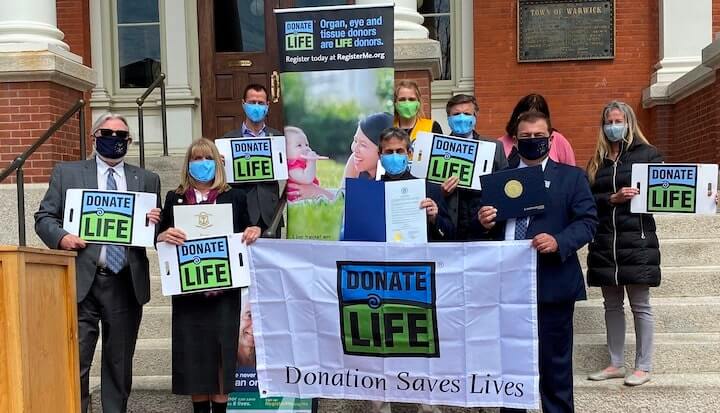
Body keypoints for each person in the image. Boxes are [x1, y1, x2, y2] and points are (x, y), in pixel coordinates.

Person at [34, 113, 162, 413]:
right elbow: (44, 218)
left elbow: (155, 235)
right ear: (94, 136)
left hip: (124, 281)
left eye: (122, 135)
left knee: (119, 364)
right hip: (82, 282)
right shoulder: (68, 173)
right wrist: (62, 237)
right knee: (77, 360)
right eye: (108, 132)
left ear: (129, 142)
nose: (114, 139)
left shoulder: (146, 180)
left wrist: (155, 223)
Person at [475, 111, 598, 413]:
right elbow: (482, 230)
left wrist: (559, 241)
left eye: (539, 136)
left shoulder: (571, 178)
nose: (533, 142)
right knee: (510, 371)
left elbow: (588, 222)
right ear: (515, 141)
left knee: (554, 370)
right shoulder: (496, 182)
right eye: (526, 137)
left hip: (552, 286)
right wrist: (484, 223)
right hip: (506, 289)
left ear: (551, 138)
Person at [156, 138, 261, 413]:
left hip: (224, 295)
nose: (202, 164)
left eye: (207, 158)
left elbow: (250, 230)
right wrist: (163, 234)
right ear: (188, 165)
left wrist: (254, 231)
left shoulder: (235, 197)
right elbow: (160, 239)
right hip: (189, 296)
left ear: (217, 162)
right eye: (196, 159)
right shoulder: (174, 198)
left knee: (221, 358)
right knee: (195, 358)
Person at [370, 127, 453, 413]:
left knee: (420, 337)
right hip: (379, 277)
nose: (394, 157)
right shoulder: (368, 190)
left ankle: (425, 400)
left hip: (416, 275)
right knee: (379, 338)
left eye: (399, 152)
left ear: (409, 153)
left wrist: (434, 217)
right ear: (380, 156)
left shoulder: (428, 189)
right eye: (388, 152)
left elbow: (449, 234)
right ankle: (381, 401)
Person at [585, 101, 663, 386]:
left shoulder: (649, 155)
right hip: (606, 242)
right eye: (608, 121)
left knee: (640, 305)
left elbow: (670, 190)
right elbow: (586, 202)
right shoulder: (597, 161)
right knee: (612, 305)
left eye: (618, 120)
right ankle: (616, 363)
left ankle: (643, 366)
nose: (613, 126)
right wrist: (611, 199)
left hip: (637, 241)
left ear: (629, 122)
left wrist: (706, 198)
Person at [440, 94, 508, 240]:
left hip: (484, 229)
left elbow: (504, 187)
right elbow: (429, 193)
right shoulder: (437, 148)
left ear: (475, 116)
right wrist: (441, 193)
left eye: (467, 113)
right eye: (456, 114)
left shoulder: (494, 147)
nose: (462, 117)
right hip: (451, 229)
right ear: (448, 118)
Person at [222, 83, 282, 237]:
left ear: (268, 106)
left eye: (260, 103)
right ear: (243, 104)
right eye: (252, 102)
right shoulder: (228, 141)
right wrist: (219, 165)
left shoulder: (277, 139)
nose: (256, 107)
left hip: (270, 216)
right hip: (240, 213)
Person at [499, 94, 576, 166]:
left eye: (537, 116)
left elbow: (569, 173)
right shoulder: (500, 144)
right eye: (526, 116)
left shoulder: (558, 140)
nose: (532, 121)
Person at [284, 126, 334, 201]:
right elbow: (307, 179)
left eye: (306, 145)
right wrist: (311, 161)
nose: (306, 148)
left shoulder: (301, 163)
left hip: (308, 195)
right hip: (298, 199)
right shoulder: (292, 166)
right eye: (299, 145)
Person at [342, 112, 394, 183]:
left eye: (363, 145)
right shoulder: (354, 161)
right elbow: (343, 193)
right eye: (355, 140)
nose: (355, 149)